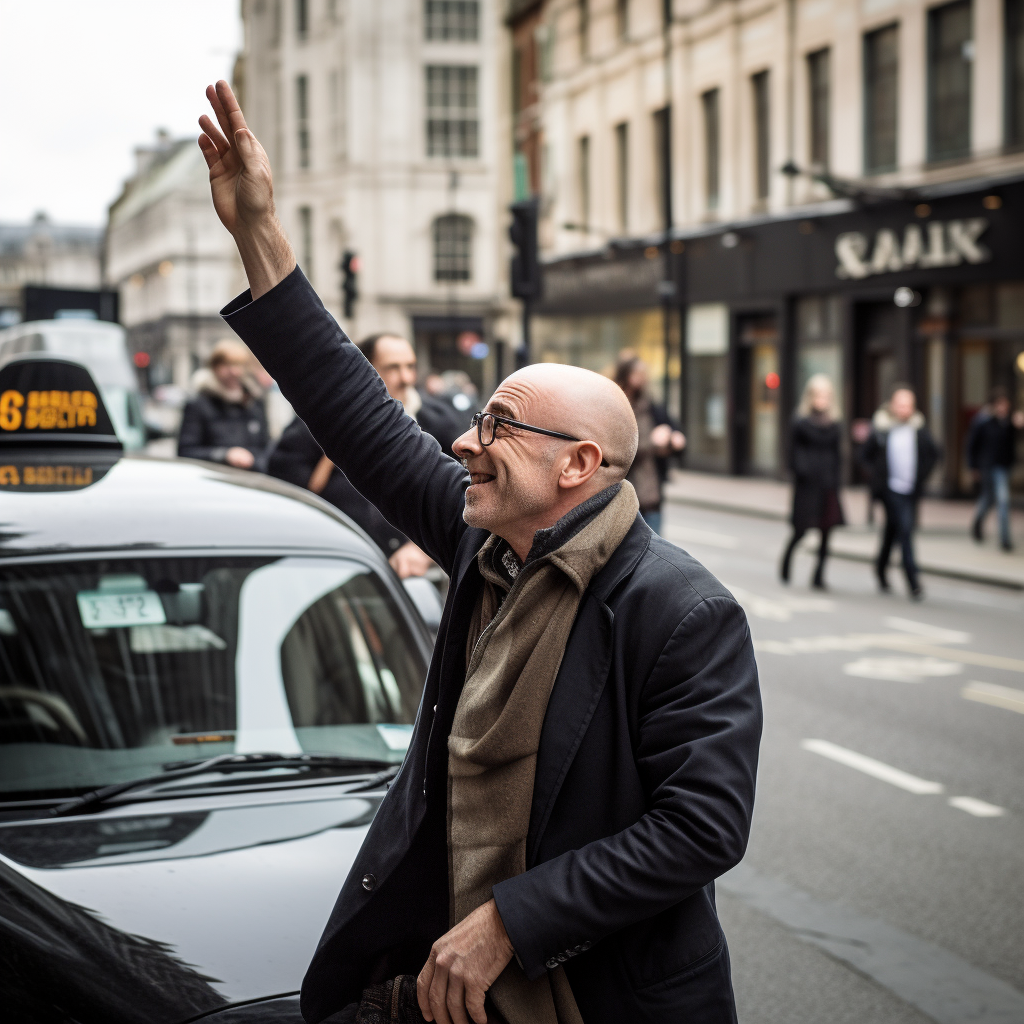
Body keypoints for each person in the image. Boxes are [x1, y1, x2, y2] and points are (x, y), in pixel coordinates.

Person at [198, 80, 761, 1024]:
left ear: (579, 464)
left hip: (595, 997)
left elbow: (701, 827)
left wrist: (510, 921)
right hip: (450, 984)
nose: (464, 440)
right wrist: (257, 230)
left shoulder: (682, 611)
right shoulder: (486, 546)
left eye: (498, 425)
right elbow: (355, 409)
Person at [268, 416, 431, 577]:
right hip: (337, 563)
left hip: (392, 561)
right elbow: (294, 495)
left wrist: (420, 547)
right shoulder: (314, 426)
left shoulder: (407, 423)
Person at [860, 385, 940, 600]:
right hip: (890, 490)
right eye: (901, 405)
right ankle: (913, 581)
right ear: (893, 406)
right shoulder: (882, 428)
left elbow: (933, 454)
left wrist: (922, 476)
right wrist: (876, 477)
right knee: (905, 530)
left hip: (910, 490)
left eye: (908, 405)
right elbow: (864, 455)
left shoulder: (919, 429)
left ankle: (880, 568)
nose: (904, 409)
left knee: (892, 531)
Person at [357, 333, 472, 459]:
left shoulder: (440, 418)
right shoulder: (352, 423)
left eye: (410, 366)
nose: (405, 378)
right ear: (367, 370)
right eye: (393, 368)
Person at [780, 374, 845, 590]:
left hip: (827, 485)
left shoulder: (835, 424)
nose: (822, 399)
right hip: (807, 486)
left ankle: (818, 576)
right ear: (810, 397)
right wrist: (803, 471)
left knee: (827, 532)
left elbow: (838, 455)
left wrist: (836, 480)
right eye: (818, 394)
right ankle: (786, 562)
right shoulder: (800, 422)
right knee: (801, 530)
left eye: (826, 394)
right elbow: (792, 454)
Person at [612, 354, 685, 535]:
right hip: (624, 500)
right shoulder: (615, 408)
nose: (643, 378)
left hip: (652, 497)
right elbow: (616, 453)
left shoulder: (651, 405)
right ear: (626, 375)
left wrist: (674, 440)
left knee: (656, 554)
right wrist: (651, 442)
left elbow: (672, 432)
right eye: (638, 373)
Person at [177, 338, 269, 470]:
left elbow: (265, 448)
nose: (234, 371)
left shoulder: (254, 403)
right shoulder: (198, 405)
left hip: (251, 480)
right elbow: (186, 451)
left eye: (238, 365)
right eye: (227, 365)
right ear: (214, 367)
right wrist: (225, 455)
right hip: (216, 481)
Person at [967, 386, 1024, 552]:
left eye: (1005, 404)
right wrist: (973, 466)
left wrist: (1017, 426)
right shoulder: (983, 421)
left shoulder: (1009, 422)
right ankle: (1005, 540)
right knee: (1003, 500)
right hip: (988, 466)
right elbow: (972, 444)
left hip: (1004, 466)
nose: (1002, 408)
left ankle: (977, 521)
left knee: (988, 499)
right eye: (999, 404)